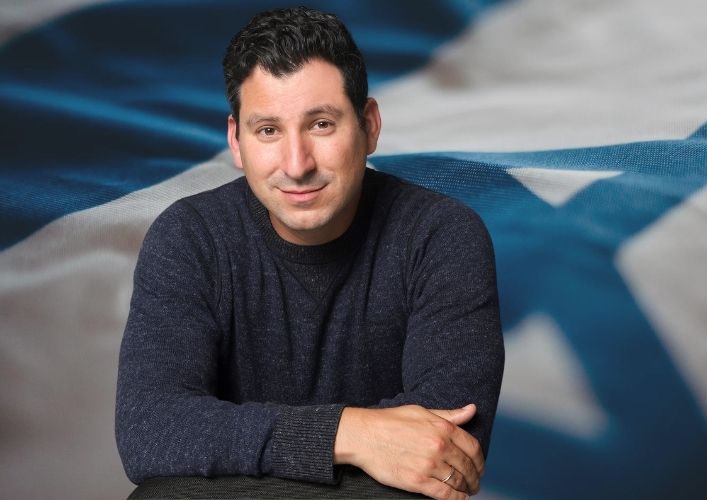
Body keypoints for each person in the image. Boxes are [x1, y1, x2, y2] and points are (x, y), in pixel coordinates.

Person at [115, 6, 504, 500]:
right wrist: (352, 434)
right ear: (237, 141)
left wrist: (223, 471)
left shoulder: (442, 236)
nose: (296, 165)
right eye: (269, 131)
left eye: (321, 124)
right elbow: (150, 431)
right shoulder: (189, 238)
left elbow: (445, 456)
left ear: (369, 126)